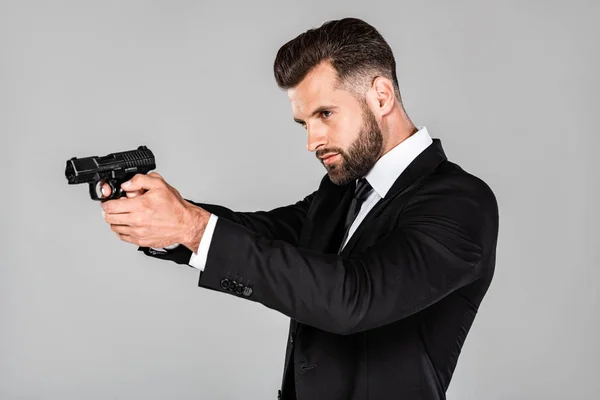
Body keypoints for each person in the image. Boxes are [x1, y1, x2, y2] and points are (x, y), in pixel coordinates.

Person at [100, 17, 499, 400]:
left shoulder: (461, 202)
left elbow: (353, 298)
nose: (313, 141)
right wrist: (169, 214)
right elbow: (264, 234)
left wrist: (193, 227)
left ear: (381, 96)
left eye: (325, 114)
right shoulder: (343, 191)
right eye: (303, 123)